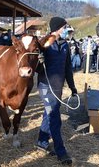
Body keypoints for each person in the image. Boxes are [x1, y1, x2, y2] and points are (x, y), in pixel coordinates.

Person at [36, 17, 77, 165]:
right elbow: (35, 66)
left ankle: (41, 141)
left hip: (58, 86)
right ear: (57, 28)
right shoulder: (44, 44)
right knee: (54, 117)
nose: (67, 29)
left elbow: (67, 68)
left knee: (48, 114)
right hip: (45, 86)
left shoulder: (65, 44)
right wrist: (38, 61)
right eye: (64, 27)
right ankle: (61, 151)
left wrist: (72, 87)